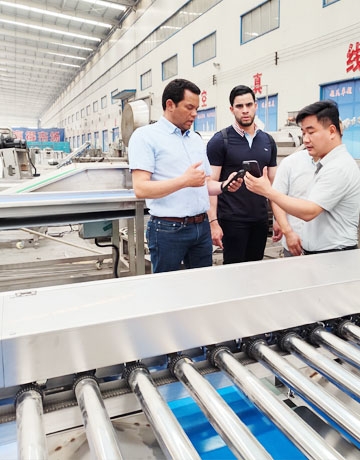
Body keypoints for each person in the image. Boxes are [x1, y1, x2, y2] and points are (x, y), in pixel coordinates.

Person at [128, 78, 242, 273]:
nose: (195, 114)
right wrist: (184, 181)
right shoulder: (145, 137)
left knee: (201, 287)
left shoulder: (195, 139)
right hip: (168, 230)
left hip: (201, 228)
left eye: (196, 108)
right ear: (170, 105)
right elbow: (141, 188)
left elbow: (204, 183)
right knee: (167, 290)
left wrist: (223, 185)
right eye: (189, 107)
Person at [244, 100, 360, 254]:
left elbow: (309, 211)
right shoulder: (322, 163)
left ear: (332, 131)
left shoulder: (339, 167)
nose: (305, 139)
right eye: (303, 133)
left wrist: (268, 191)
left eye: (311, 132)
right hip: (315, 253)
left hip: (334, 254)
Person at [206, 85, 277, 264]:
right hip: (231, 220)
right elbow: (210, 184)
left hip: (260, 219)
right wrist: (213, 222)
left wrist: (278, 219)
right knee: (233, 272)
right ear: (232, 109)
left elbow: (273, 183)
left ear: (256, 105)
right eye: (239, 106)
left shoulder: (267, 140)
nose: (244, 110)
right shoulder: (221, 140)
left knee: (256, 270)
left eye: (248, 105)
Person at [271, 147, 320, 256]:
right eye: (305, 132)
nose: (308, 139)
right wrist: (286, 230)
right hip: (295, 242)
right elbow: (277, 196)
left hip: (327, 247)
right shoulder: (291, 162)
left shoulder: (339, 166)